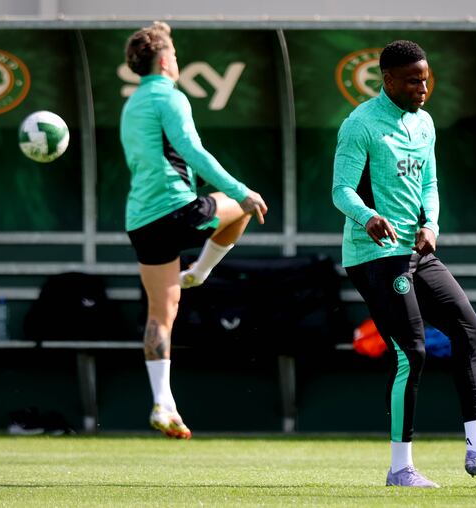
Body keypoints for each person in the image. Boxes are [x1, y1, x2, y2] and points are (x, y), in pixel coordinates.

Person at [332, 40, 476, 487]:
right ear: (387, 80)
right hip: (375, 256)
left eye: (426, 79)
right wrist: (369, 217)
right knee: (412, 352)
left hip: (418, 253)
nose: (422, 87)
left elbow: (430, 182)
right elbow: (341, 190)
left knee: (470, 332)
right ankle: (400, 469)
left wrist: (432, 225)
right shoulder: (360, 125)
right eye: (412, 80)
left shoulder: (424, 124)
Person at [120, 21, 268, 439]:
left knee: (160, 315)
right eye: (176, 55)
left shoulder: (132, 105)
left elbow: (159, 156)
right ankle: (201, 271)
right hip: (175, 210)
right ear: (166, 60)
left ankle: (162, 404)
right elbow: (191, 150)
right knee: (240, 208)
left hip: (141, 221)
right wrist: (242, 191)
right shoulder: (169, 96)